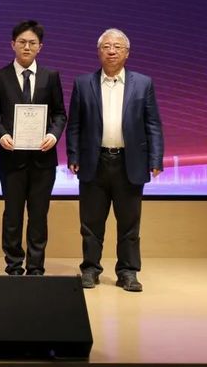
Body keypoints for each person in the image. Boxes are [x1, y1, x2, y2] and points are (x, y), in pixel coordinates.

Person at [67, 28, 163, 292]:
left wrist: (155, 158)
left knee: (130, 224)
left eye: (117, 47)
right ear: (98, 52)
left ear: (127, 53)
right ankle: (90, 269)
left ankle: (128, 272)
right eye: (106, 46)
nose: (111, 51)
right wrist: (73, 155)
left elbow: (153, 124)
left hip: (129, 163)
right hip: (94, 162)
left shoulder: (143, 83)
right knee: (91, 223)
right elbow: (74, 124)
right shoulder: (83, 83)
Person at [0, 20, 66, 276]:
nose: (27, 47)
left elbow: (59, 114)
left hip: (44, 159)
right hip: (11, 158)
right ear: (13, 44)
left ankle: (35, 266)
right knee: (12, 214)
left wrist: (54, 135)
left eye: (32, 43)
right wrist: (1, 135)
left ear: (40, 47)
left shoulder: (50, 76)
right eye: (22, 42)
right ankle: (13, 264)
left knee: (39, 215)